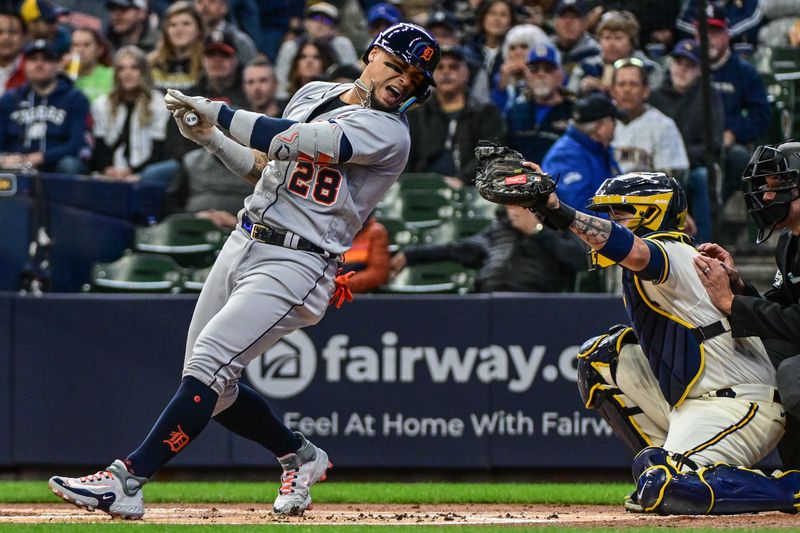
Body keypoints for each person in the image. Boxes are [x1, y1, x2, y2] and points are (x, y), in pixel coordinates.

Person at [48, 22, 440, 519]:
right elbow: (267, 165)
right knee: (213, 383)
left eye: (415, 77)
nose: (405, 80)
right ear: (372, 54)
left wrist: (221, 112)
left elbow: (298, 140)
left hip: (300, 260)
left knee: (209, 364)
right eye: (399, 65)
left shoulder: (389, 132)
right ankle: (301, 455)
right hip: (245, 239)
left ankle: (127, 480)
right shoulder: (315, 91)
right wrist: (213, 139)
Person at [505, 167, 793, 514]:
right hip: (693, 401)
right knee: (603, 358)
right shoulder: (665, 253)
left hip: (739, 403)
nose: (613, 220)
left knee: (673, 489)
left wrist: (557, 209)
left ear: (653, 211)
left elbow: (636, 252)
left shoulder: (671, 250)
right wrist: (546, 211)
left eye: (621, 213)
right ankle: (663, 463)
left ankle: (789, 488)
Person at [694, 140, 800, 469]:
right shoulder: (789, 241)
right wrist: (737, 288)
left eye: (778, 186)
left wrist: (732, 304)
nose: (767, 197)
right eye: (765, 187)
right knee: (756, 356)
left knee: (793, 374)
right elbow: (781, 308)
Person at [390, 205, 586, 292]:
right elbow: (455, 249)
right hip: (488, 299)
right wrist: (410, 255)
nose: (516, 210)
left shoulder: (556, 226)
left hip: (533, 303)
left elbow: (579, 259)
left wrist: (536, 230)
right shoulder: (495, 231)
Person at [649, 39, 724, 244]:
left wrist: (680, 158)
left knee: (702, 177)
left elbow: (714, 144)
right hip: (657, 167)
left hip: (693, 167)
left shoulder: (708, 96)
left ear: (699, 70)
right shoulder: (655, 98)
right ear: (670, 65)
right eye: (678, 63)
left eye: (689, 66)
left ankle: (703, 247)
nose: (682, 70)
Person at [695, 6, 770, 204]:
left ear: (726, 35)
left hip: (726, 145)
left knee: (739, 157)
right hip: (691, 142)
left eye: (715, 32)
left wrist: (734, 132)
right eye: (704, 32)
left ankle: (716, 208)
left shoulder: (744, 72)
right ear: (695, 35)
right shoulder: (686, 66)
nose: (709, 38)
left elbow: (761, 115)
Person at [405, 45, 503, 189]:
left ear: (467, 73)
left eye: (454, 67)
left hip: (472, 191)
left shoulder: (486, 113)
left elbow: (491, 156)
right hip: (420, 189)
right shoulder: (416, 114)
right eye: (440, 67)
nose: (446, 72)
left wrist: (463, 180)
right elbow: (405, 158)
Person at [0, 39, 91, 174]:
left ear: (57, 65)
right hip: (16, 166)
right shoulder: (9, 99)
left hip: (56, 167)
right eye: (33, 59)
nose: (39, 64)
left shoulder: (75, 98)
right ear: (25, 65)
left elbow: (77, 143)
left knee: (70, 164)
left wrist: (41, 157)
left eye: (46, 59)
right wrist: (4, 158)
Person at [90, 46, 171, 184]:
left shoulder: (159, 103)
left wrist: (133, 171)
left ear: (143, 72)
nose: (128, 73)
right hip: (112, 172)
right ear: (116, 74)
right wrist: (107, 169)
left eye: (134, 68)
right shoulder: (102, 104)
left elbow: (159, 150)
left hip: (145, 172)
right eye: (122, 69)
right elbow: (100, 146)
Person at [541, 92, 621, 213]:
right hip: (574, 229)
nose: (615, 126)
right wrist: (620, 222)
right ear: (601, 127)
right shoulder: (564, 156)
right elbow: (579, 210)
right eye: (613, 121)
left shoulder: (600, 148)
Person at [609, 58, 689, 177]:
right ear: (613, 91)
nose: (627, 90)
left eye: (633, 84)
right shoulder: (601, 125)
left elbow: (672, 178)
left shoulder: (663, 125)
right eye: (621, 84)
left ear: (645, 91)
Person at [274, 2, 358, 102]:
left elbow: (352, 78)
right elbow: (281, 85)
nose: (320, 24)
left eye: (327, 21)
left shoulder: (341, 45)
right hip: (294, 97)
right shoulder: (292, 47)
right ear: (306, 23)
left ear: (335, 28)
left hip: (335, 97)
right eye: (316, 18)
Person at [506, 43, 573, 164]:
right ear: (526, 76)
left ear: (560, 75)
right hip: (519, 180)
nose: (541, 74)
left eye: (548, 69)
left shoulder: (574, 113)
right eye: (534, 69)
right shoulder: (515, 112)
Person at [568, 10, 663, 95]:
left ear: (632, 42)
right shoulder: (586, 66)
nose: (611, 44)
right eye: (607, 37)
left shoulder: (649, 69)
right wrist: (580, 89)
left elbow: (654, 101)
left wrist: (606, 90)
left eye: (618, 38)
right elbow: (570, 95)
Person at [149, 1, 206, 92]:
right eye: (173, 25)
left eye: (186, 24)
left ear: (199, 29)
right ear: (166, 31)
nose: (179, 29)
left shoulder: (208, 64)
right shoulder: (150, 63)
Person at [194, 0, 257, 66]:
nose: (204, 7)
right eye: (199, 1)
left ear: (224, 7)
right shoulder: (190, 38)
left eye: (211, 1)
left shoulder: (240, 41)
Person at [341, 214, 391, 293]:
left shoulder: (376, 231)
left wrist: (342, 284)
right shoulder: (334, 231)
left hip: (359, 296)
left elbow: (378, 273)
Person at [550, 0, 600, 77]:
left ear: (585, 22)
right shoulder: (547, 48)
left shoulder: (596, 51)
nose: (568, 22)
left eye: (574, 16)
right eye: (564, 16)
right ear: (555, 22)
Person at [68, 26, 114, 103]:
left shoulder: (112, 75)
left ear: (99, 50)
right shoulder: (64, 76)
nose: (80, 50)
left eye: (86, 45)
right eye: (75, 45)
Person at [0, 7, 26, 95]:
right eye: (0, 32)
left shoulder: (35, 70)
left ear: (24, 36)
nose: (6, 37)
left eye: (13, 32)